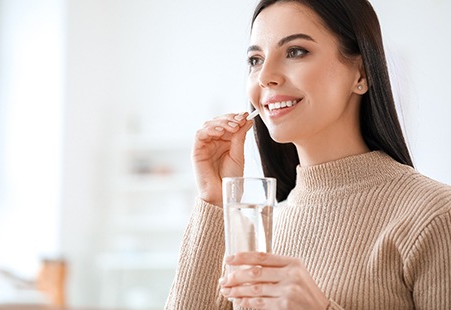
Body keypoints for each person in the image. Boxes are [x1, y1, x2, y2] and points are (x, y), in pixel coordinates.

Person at [165, 0, 451, 309]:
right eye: (255, 59)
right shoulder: (259, 230)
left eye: (295, 52)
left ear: (361, 73)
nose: (265, 77)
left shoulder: (434, 216)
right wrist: (214, 201)